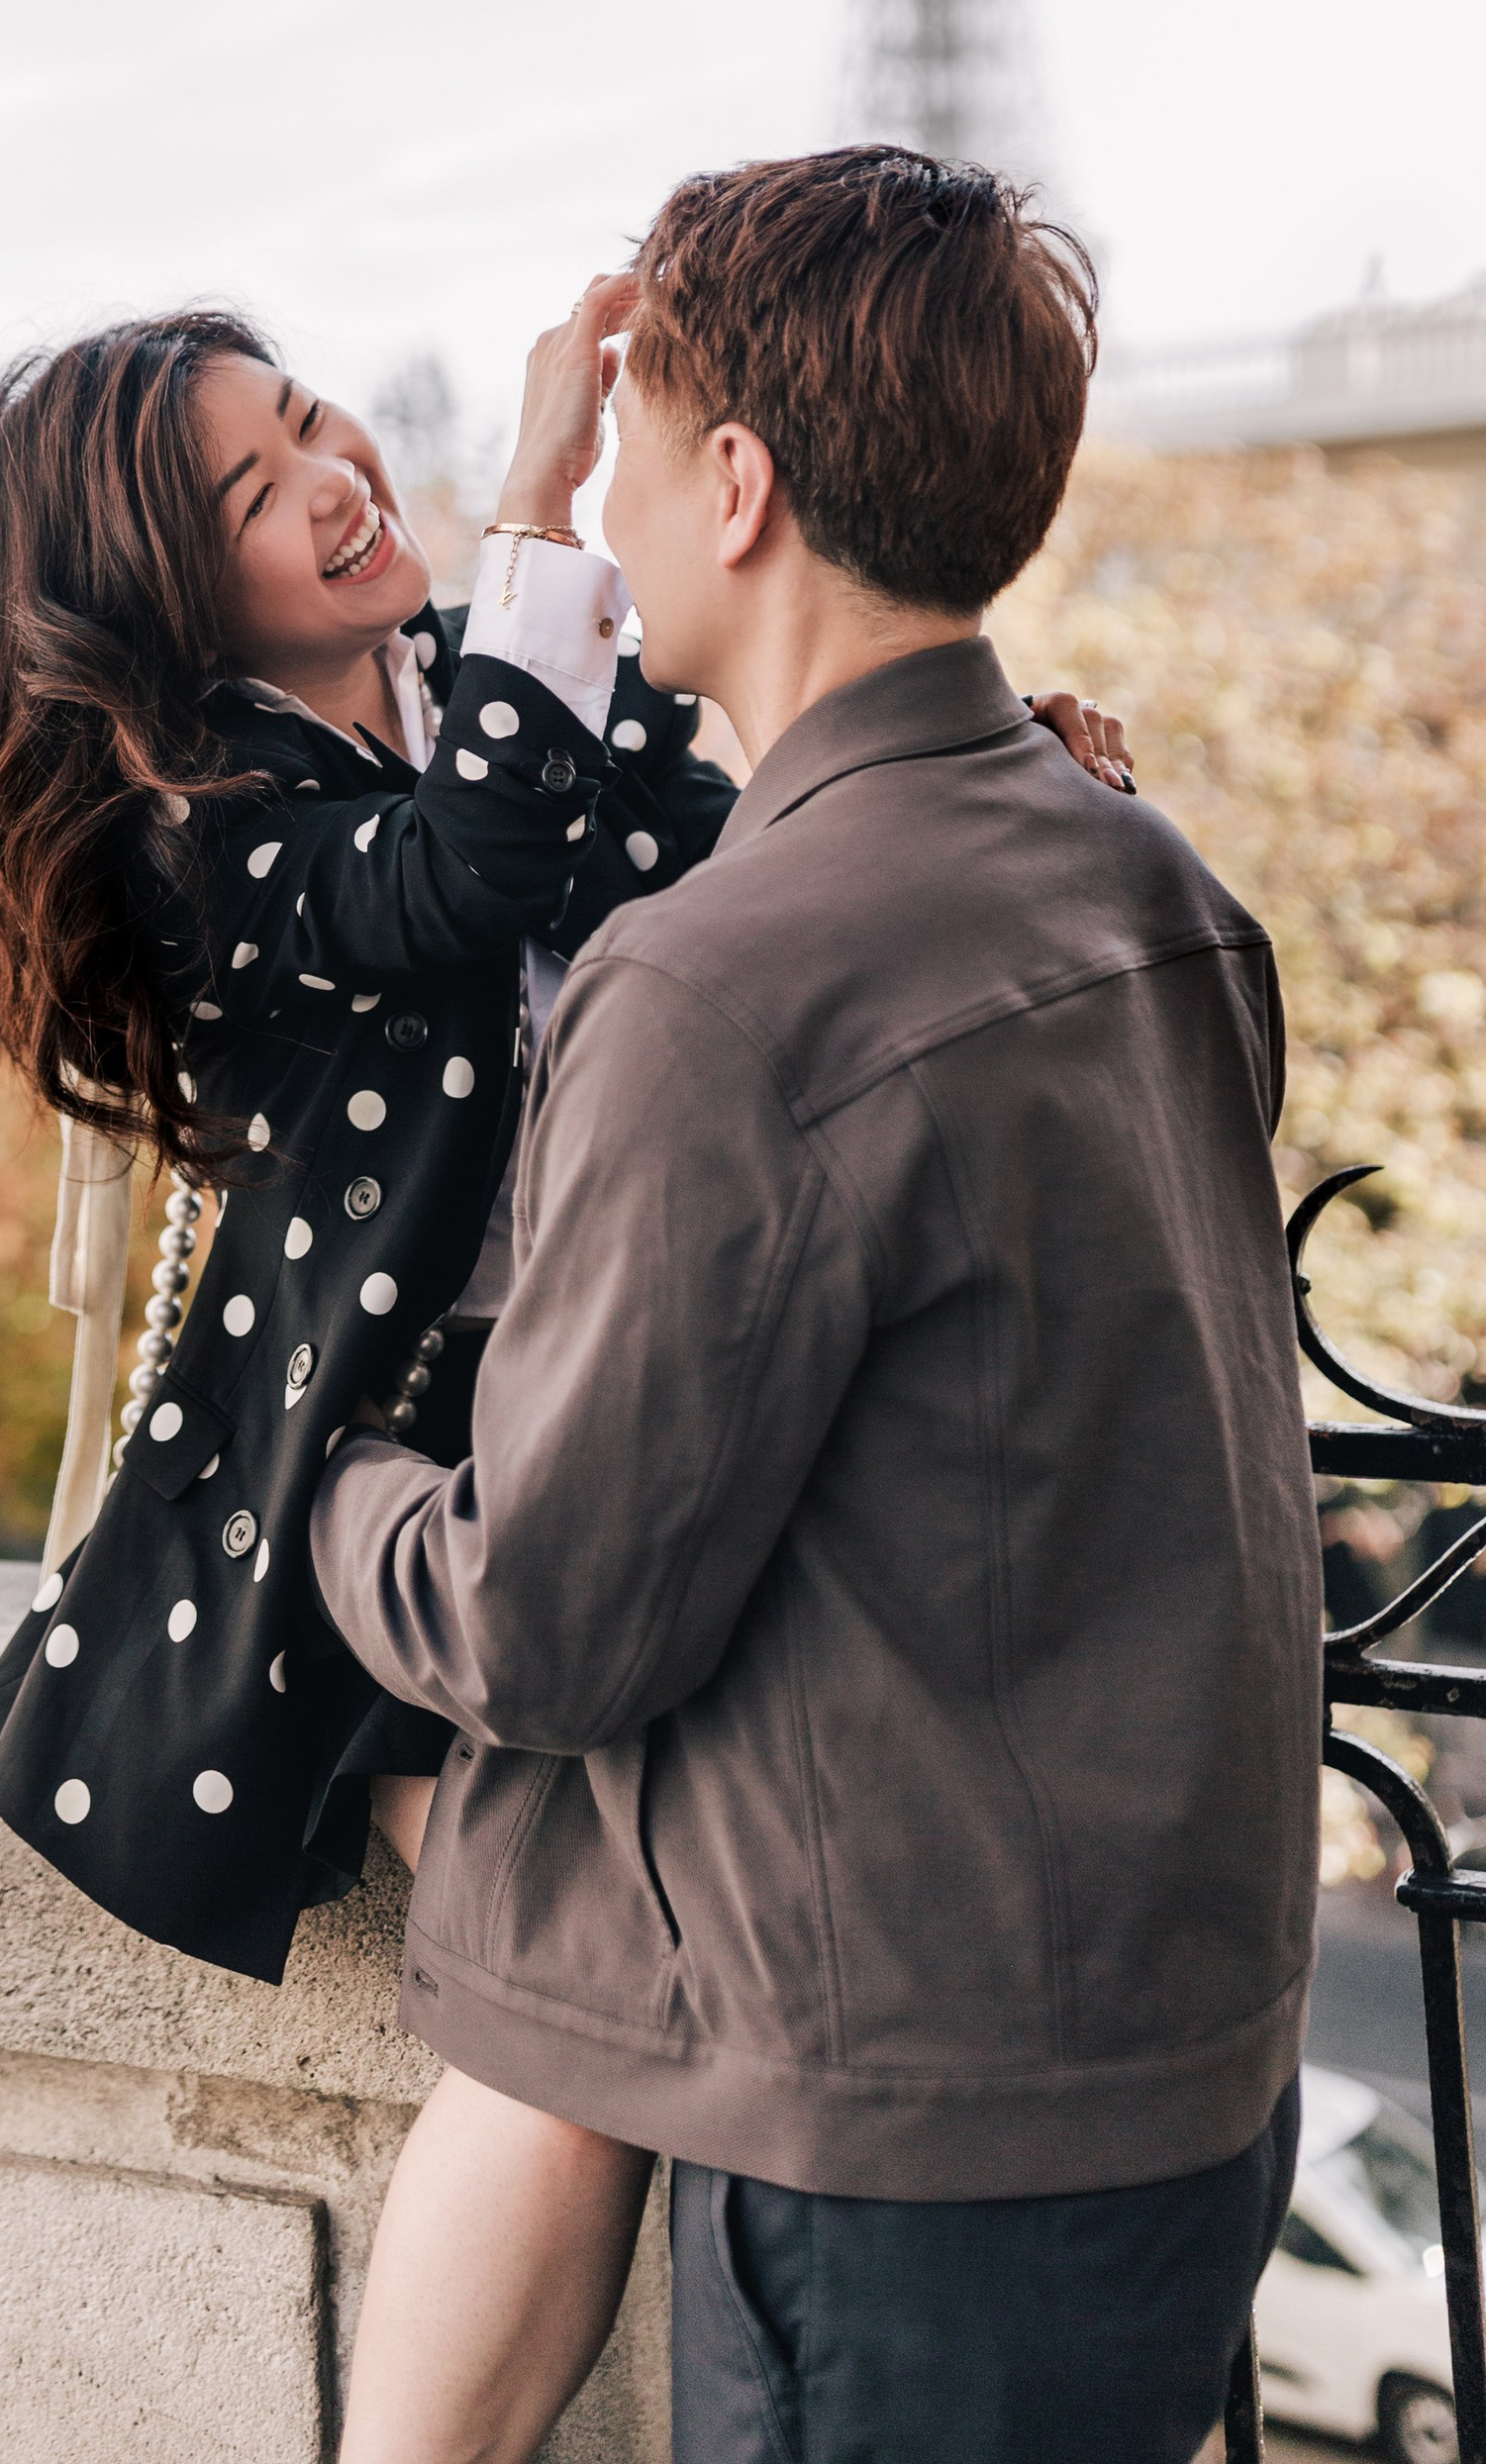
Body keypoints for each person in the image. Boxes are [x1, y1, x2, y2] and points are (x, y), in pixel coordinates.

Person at [309, 147, 1322, 2464]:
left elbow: (544, 1629)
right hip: (1176, 2068)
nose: (614, 495)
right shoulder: (1144, 878)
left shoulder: (721, 978)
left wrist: (331, 1487)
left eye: (636, 447)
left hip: (917, 2151)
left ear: (736, 484)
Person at [0, 282, 1131, 1981]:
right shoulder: (205, 828)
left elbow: (774, 860)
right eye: (253, 495)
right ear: (164, 609)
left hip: (622, 1374)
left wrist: (988, 767)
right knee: (576, 1928)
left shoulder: (526, 669)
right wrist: (541, 490)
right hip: (396, 1453)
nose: (332, 478)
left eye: (311, 418)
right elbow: (461, 862)